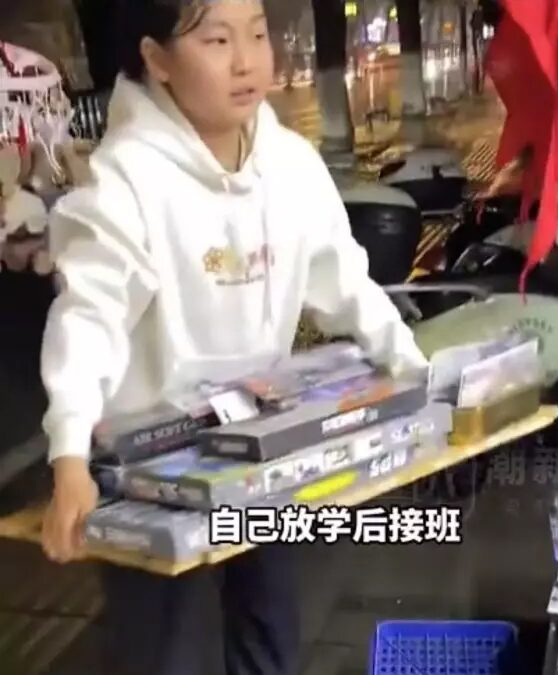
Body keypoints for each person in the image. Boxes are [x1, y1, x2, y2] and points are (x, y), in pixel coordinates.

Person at [39, 1, 427, 674]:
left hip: (258, 440)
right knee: (164, 650)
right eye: (217, 40)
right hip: (147, 462)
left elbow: (345, 282)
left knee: (269, 626)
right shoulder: (125, 178)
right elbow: (89, 313)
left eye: (257, 34)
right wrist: (69, 453)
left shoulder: (291, 164)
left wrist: (414, 369)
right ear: (157, 60)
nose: (247, 61)